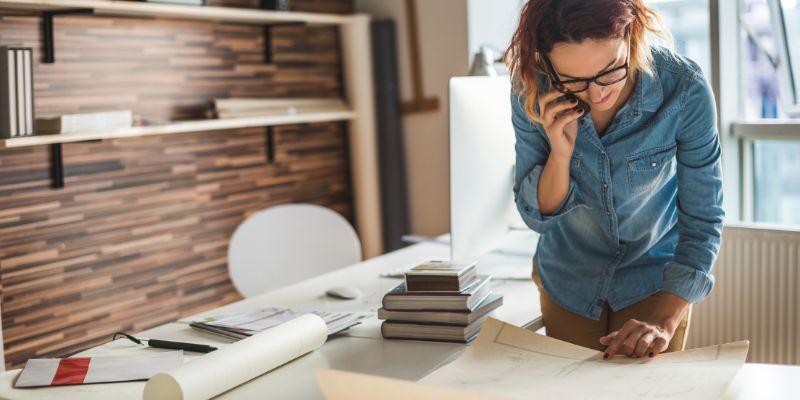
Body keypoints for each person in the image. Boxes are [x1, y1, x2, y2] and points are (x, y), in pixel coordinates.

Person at [506, 0, 724, 360]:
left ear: (633, 33)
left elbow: (703, 219)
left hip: (654, 275)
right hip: (568, 276)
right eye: (573, 80)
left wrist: (664, 323)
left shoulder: (684, 90)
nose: (596, 95)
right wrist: (560, 157)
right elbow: (535, 216)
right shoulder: (530, 87)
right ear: (546, 62)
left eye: (610, 71)